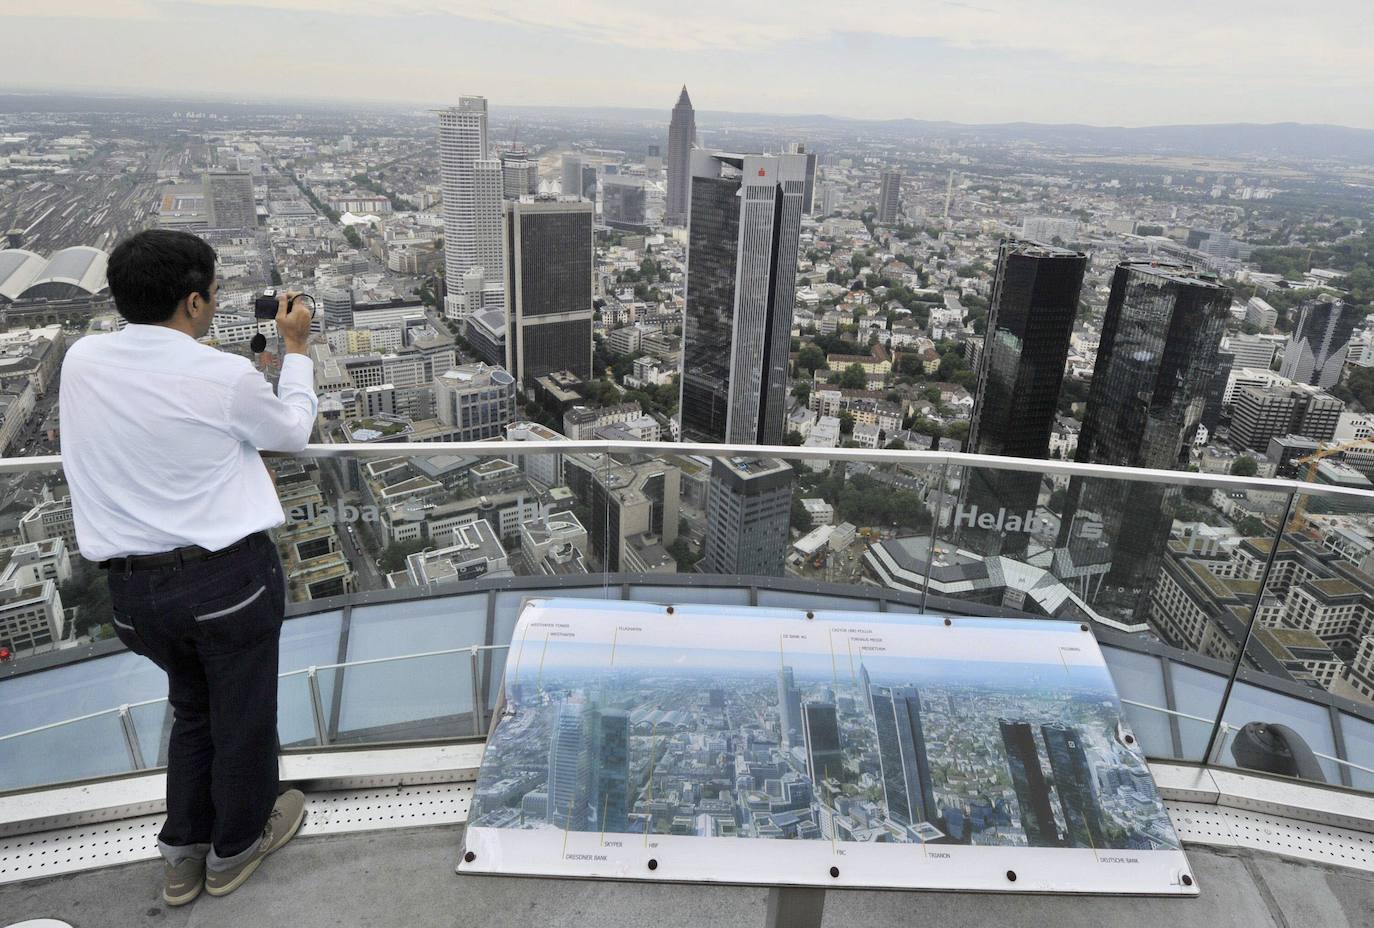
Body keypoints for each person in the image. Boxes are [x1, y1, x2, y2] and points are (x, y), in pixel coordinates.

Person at [59, 229, 318, 906]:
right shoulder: (221, 376)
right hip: (222, 584)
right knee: (243, 717)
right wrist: (295, 349)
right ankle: (235, 847)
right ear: (196, 302)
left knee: (193, 710)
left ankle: (182, 856)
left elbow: (161, 431)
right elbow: (292, 431)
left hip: (132, 597)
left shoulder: (83, 360)